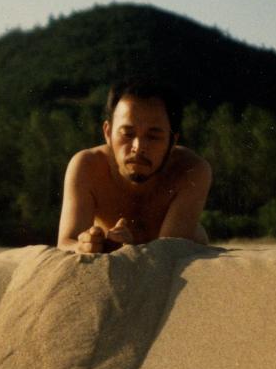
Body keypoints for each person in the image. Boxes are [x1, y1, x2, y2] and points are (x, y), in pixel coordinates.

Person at [57, 80, 212, 254]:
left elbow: (169, 254)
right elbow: (65, 243)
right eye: (127, 134)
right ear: (107, 133)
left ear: (173, 141)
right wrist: (85, 246)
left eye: (153, 137)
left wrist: (130, 251)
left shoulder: (191, 170)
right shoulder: (87, 166)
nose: (138, 146)